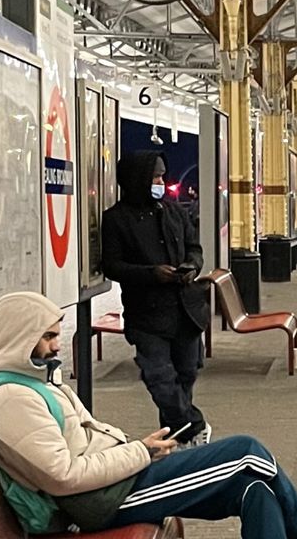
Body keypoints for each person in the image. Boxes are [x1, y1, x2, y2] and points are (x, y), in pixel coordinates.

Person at [0, 291, 297, 539]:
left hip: (118, 481)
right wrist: (141, 452)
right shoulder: (12, 399)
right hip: (102, 500)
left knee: (253, 488)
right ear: (18, 340)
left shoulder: (35, 384)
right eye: (47, 337)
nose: (56, 344)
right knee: (247, 452)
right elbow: (63, 477)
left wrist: (139, 452)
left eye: (56, 334)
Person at [101, 151, 211, 446]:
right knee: (160, 380)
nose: (161, 182)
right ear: (137, 179)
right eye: (156, 177)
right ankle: (194, 427)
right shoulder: (116, 220)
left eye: (163, 175)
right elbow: (112, 265)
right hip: (147, 315)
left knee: (186, 375)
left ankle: (176, 442)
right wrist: (152, 274)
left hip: (185, 312)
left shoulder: (174, 211)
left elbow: (195, 248)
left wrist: (191, 266)